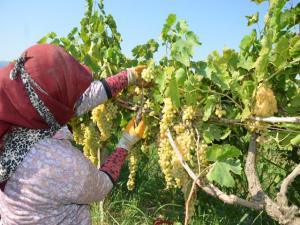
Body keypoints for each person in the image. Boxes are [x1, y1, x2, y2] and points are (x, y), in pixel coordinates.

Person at [0, 44, 146, 225]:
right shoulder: (58, 162)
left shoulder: (19, 110)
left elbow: (78, 101)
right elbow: (100, 187)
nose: (74, 100)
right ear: (53, 104)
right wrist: (125, 144)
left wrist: (127, 76)